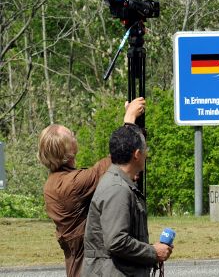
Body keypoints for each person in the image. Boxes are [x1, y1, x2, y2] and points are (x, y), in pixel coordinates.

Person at [37, 97, 146, 277]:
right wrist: (129, 120)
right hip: (87, 270)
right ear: (67, 150)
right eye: (71, 135)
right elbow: (116, 161)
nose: (75, 136)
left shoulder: (56, 181)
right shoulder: (71, 185)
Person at [81, 123, 172, 277]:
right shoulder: (118, 189)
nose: (146, 154)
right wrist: (153, 252)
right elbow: (116, 241)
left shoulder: (119, 183)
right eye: (145, 150)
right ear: (137, 154)